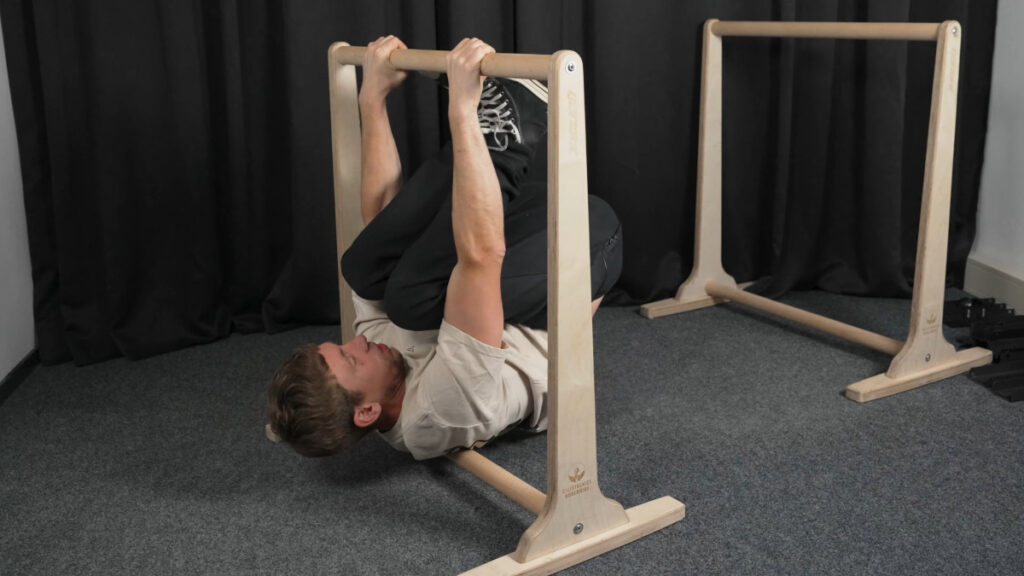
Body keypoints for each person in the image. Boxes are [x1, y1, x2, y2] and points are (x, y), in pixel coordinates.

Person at [266, 36, 622, 460]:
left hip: (517, 224)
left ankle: (501, 128)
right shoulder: (437, 412)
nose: (357, 343)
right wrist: (462, 111)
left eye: (341, 348)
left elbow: (382, 220)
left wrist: (372, 100)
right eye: (353, 360)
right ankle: (510, 129)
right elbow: (481, 259)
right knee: (411, 300)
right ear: (368, 412)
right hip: (585, 248)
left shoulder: (376, 360)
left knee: (363, 269)